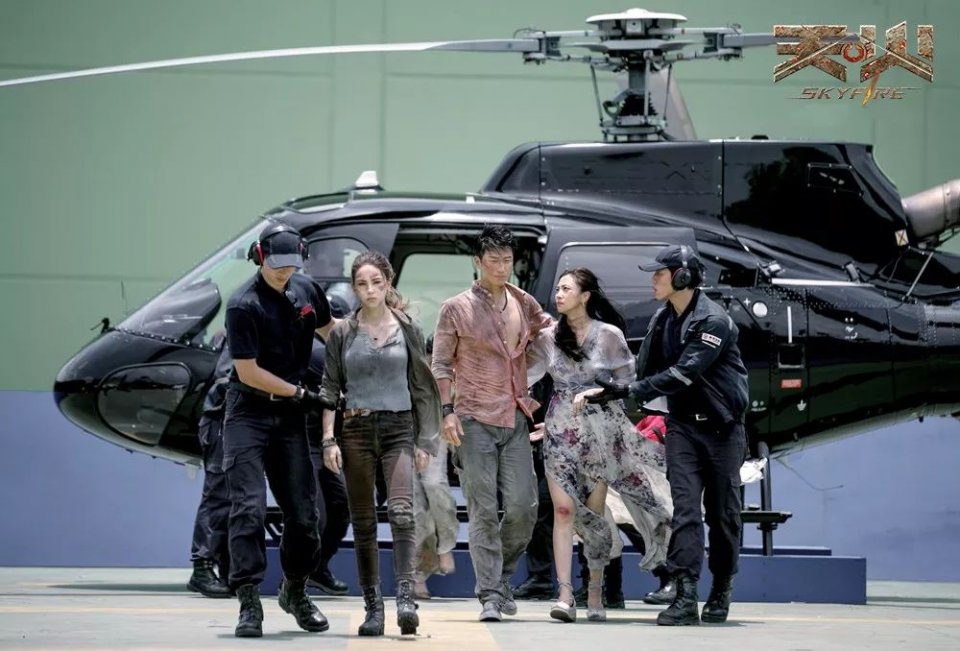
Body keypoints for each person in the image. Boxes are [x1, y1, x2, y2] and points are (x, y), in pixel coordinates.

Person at [588, 244, 749, 626]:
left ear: (683, 277)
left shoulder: (714, 321)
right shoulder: (664, 318)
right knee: (685, 510)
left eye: (660, 273)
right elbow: (644, 369)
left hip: (723, 431)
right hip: (684, 428)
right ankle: (686, 593)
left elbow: (684, 373)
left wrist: (630, 391)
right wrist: (613, 387)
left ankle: (721, 587)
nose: (654, 280)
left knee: (723, 516)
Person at [527, 267, 673, 623]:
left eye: (566, 289)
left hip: (600, 433)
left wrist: (598, 393)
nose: (558, 294)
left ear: (585, 295)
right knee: (563, 511)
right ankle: (565, 595)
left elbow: (627, 384)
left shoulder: (609, 335)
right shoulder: (547, 337)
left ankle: (595, 589)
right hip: (560, 430)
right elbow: (523, 374)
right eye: (558, 288)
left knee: (593, 514)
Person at [432, 224, 553, 622]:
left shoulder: (523, 301)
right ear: (478, 262)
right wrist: (447, 412)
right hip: (472, 417)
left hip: (515, 415)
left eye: (507, 260)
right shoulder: (456, 307)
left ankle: (500, 578)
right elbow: (440, 365)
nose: (501, 267)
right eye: (494, 261)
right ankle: (489, 594)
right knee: (483, 509)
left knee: (524, 507)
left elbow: (550, 333)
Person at [222, 222, 337, 638]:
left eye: (290, 265)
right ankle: (249, 600)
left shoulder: (306, 290)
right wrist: (302, 394)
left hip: (289, 417)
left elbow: (332, 332)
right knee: (248, 509)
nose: (284, 272)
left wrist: (379, 333)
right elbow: (248, 372)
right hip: (248, 413)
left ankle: (295, 589)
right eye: (276, 265)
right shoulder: (243, 305)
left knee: (306, 516)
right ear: (259, 257)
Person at [318, 250, 441, 637]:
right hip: (355, 430)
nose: (369, 290)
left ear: (388, 283)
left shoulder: (408, 328)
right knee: (364, 521)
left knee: (402, 511)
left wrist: (425, 440)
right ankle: (373, 608)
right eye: (361, 284)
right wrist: (328, 440)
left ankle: (406, 598)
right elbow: (330, 390)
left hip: (398, 428)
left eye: (376, 282)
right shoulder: (342, 332)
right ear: (354, 289)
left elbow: (423, 387)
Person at [303, 292, 351, 597]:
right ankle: (297, 577)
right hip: (305, 443)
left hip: (328, 445)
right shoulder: (315, 353)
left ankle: (318, 569)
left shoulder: (336, 351)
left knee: (340, 508)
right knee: (313, 514)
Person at [186, 339, 233, 599]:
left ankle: (226, 568)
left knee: (235, 497)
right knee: (218, 495)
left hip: (234, 420)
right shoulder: (243, 325)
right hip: (221, 419)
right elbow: (227, 377)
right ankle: (202, 567)